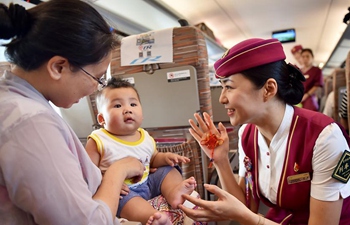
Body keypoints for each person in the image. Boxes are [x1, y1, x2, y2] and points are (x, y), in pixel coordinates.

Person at [0, 1, 147, 224]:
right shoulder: (30, 122)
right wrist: (118, 170)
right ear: (58, 67)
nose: (97, 88)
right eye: (97, 78)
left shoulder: (18, 102)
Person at [178, 38, 350, 225]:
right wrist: (220, 160)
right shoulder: (247, 134)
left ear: (268, 89)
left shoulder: (324, 137)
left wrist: (248, 217)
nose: (222, 99)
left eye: (228, 87)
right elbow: (246, 206)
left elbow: (246, 215)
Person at [85, 77, 197, 225]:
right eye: (117, 106)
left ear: (142, 114)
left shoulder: (144, 136)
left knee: (167, 169)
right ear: (101, 118)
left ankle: (174, 192)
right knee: (126, 201)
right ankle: (153, 216)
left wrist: (165, 157)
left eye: (133, 104)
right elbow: (88, 173)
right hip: (123, 191)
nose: (127, 109)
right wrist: (109, 182)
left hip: (148, 182)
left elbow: (152, 159)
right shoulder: (98, 140)